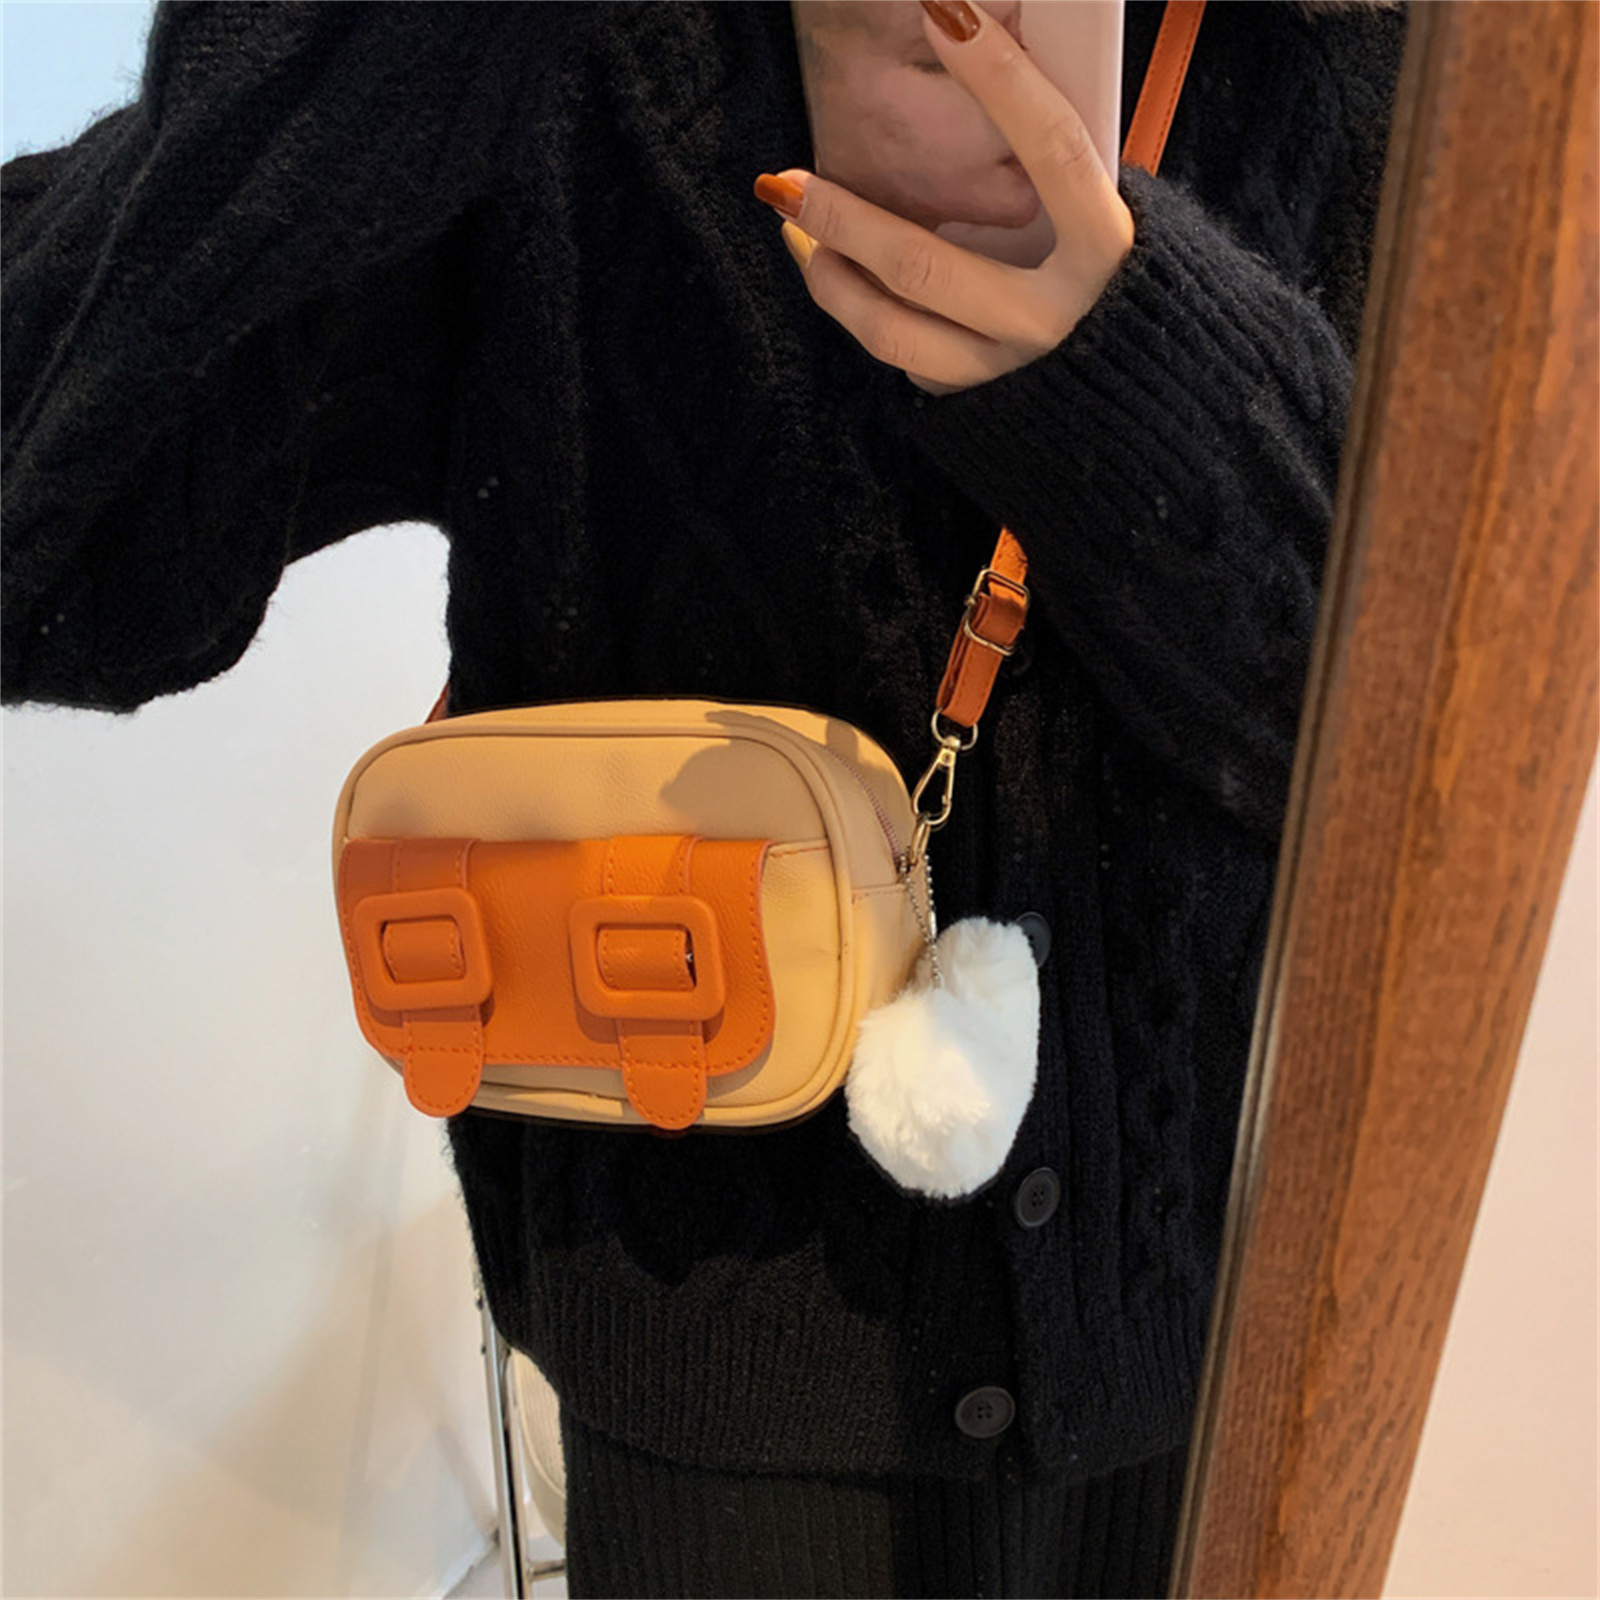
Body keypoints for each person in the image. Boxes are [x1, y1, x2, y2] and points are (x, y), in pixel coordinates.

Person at [0, 1, 1407, 1594]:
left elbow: (1417, 763)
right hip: (711, 1331)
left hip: (1221, 1325)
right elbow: (53, 547)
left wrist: (1138, 364)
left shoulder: (1346, 55)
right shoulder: (577, 62)